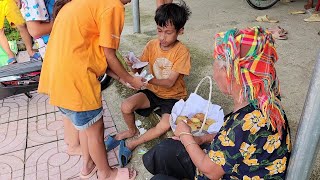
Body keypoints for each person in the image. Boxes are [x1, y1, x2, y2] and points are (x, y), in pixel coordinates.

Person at [142, 26, 292, 180]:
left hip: (219, 172)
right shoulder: (263, 99)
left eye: (216, 64)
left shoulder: (246, 122)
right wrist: (202, 139)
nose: (214, 73)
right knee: (167, 149)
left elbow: (211, 171)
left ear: (229, 74)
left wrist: (185, 134)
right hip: (233, 165)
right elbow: (238, 143)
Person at [37, 0, 144, 179]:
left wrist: (123, 79)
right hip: (76, 80)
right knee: (95, 130)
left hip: (56, 79)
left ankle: (87, 166)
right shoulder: (113, 5)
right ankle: (106, 173)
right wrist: (131, 79)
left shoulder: (82, 4)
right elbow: (109, 55)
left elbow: (97, 53)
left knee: (86, 127)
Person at [105, 1, 192, 167]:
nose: (162, 37)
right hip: (152, 92)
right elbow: (141, 68)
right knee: (126, 106)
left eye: (168, 33)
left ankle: (133, 143)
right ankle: (132, 130)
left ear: (180, 31)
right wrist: (134, 67)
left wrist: (147, 79)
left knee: (164, 126)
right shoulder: (152, 45)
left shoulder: (182, 52)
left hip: (174, 97)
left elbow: (169, 82)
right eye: (159, 31)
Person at [20, 0, 81, 156]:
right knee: (71, 99)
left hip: (56, 49)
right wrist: (66, 18)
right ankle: (74, 145)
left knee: (65, 100)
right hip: (57, 50)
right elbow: (35, 30)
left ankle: (72, 141)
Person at [0, 0, 40, 64]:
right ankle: (10, 55)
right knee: (0, 31)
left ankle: (30, 51)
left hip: (7, 1)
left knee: (21, 25)